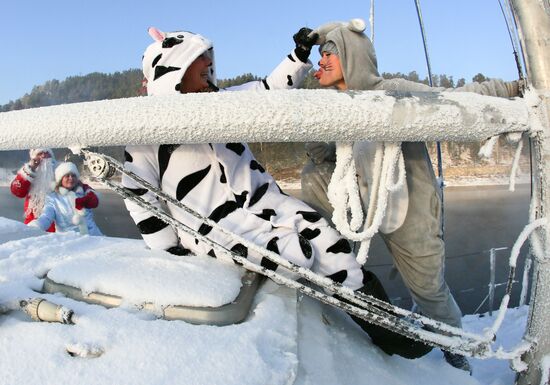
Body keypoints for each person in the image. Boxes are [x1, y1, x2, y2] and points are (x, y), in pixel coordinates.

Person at [122, 27, 431, 358]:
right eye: (201, 66)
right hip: (217, 229)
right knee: (290, 255)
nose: (210, 70)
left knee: (331, 242)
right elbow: (139, 197)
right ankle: (322, 282)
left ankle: (392, 334)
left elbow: (267, 92)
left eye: (210, 66)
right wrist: (170, 251)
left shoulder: (222, 104)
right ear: (175, 70)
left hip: (268, 204)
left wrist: (298, 57)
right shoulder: (146, 132)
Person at [301, 19, 522, 372]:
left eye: (330, 52)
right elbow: (323, 156)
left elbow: (457, 100)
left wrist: (512, 87)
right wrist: (302, 69)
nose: (322, 61)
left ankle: (457, 359)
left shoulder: (393, 91)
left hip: (409, 214)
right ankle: (315, 257)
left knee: (430, 293)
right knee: (312, 175)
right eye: (320, 55)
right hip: (364, 207)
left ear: (353, 56)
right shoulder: (338, 109)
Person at [30, 162, 102, 235]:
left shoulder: (85, 194)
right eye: (67, 176)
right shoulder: (53, 198)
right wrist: (35, 227)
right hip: (70, 240)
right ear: (60, 179)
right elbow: (46, 217)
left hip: (95, 238)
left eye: (73, 175)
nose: (71, 178)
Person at [10, 148, 58, 232]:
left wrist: (87, 191)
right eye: (40, 154)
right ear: (33, 157)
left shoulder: (60, 170)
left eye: (47, 153)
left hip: (57, 226)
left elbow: (77, 186)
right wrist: (30, 169)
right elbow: (17, 191)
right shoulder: (27, 172)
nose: (43, 156)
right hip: (32, 224)